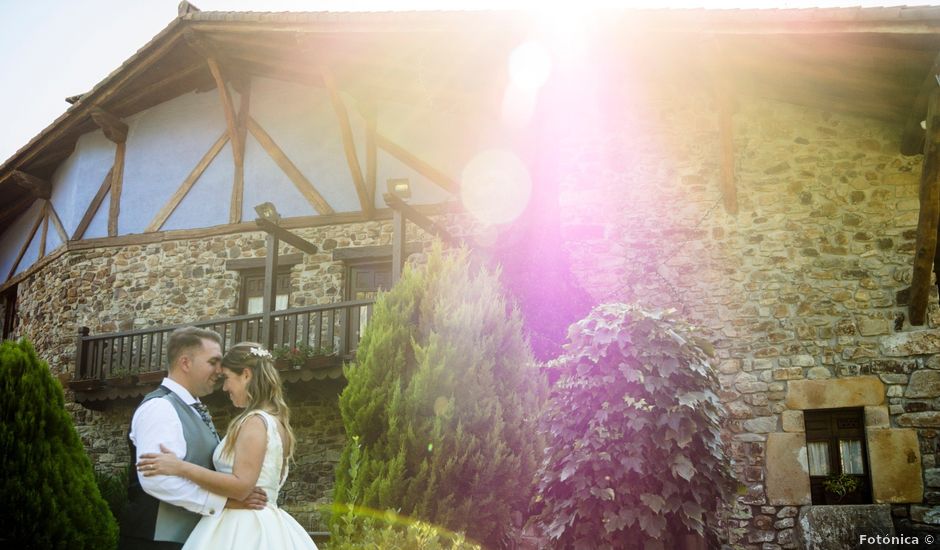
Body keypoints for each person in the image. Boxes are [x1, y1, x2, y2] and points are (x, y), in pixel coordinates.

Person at [138, 342, 317, 550]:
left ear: (246, 375)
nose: (224, 388)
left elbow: (241, 487)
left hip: (244, 527)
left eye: (228, 378)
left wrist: (180, 467)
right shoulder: (276, 421)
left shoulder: (255, 422)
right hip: (266, 521)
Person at [119, 327, 268, 550]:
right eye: (213, 362)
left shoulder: (194, 409)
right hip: (157, 541)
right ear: (186, 363)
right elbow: (156, 480)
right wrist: (226, 502)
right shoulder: (161, 407)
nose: (220, 370)